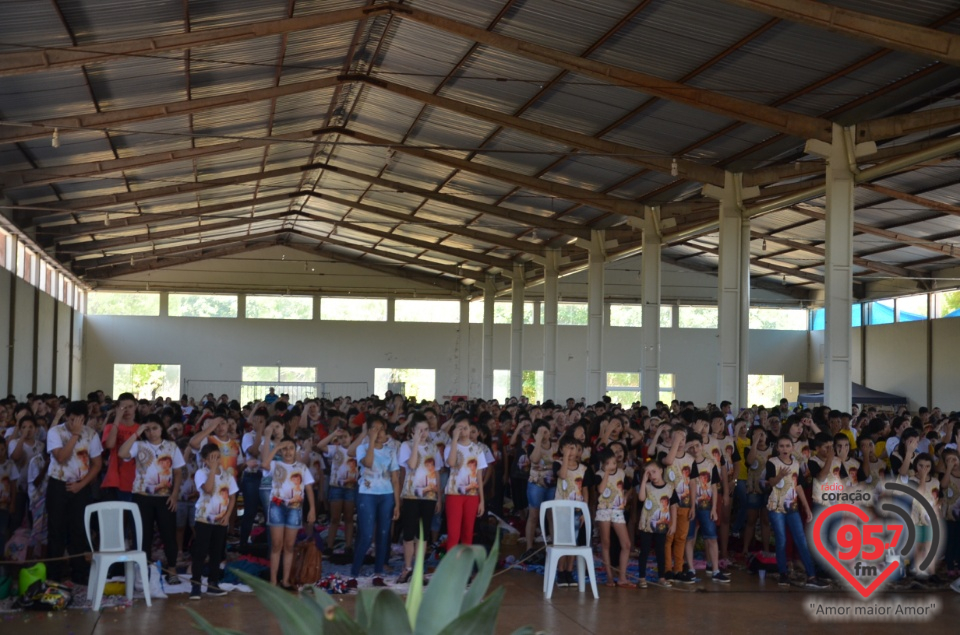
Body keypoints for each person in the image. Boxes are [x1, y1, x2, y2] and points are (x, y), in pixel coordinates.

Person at [118, 414, 186, 585]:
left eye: (155, 428)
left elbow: (178, 472)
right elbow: (122, 453)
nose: (151, 432)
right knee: (142, 535)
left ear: (162, 428)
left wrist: (174, 495)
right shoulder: (138, 445)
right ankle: (144, 570)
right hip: (142, 497)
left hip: (165, 497)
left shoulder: (171, 446)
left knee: (168, 534)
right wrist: (136, 433)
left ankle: (171, 569)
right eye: (147, 429)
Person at [46, 401, 103, 584]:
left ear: (85, 418)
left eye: (79, 420)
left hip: (80, 486)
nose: (75, 424)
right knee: (56, 531)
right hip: (58, 485)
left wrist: (82, 484)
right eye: (71, 420)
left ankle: (79, 573)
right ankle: (53, 574)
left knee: (79, 530)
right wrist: (75, 435)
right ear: (66, 417)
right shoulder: (55, 432)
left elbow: (97, 464)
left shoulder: (91, 434)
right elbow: (61, 457)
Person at [764, 435, 827, 588]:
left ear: (792, 448)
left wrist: (805, 507)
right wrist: (780, 475)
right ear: (777, 448)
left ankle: (811, 576)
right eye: (782, 446)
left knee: (801, 540)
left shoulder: (796, 464)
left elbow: (798, 486)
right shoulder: (772, 462)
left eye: (787, 446)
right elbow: (770, 482)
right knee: (781, 539)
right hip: (776, 506)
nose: (785, 449)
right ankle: (783, 573)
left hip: (792, 507)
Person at [261, 425, 316, 589]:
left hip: (295, 507)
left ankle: (285, 580)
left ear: (295, 450)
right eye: (284, 449)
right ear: (280, 451)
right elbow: (264, 464)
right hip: (277, 506)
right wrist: (276, 447)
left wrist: (312, 508)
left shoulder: (301, 467)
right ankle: (273, 580)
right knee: (277, 545)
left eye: (290, 448)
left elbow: (308, 488)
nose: (287, 452)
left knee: (289, 546)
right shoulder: (275, 465)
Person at [350, 416, 400, 578]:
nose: (379, 432)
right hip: (367, 494)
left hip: (386, 495)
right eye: (375, 428)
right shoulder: (362, 448)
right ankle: (354, 572)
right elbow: (369, 463)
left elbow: (395, 479)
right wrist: (370, 441)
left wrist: (398, 504)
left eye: (382, 429)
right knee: (366, 534)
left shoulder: (391, 451)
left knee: (383, 534)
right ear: (369, 431)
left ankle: (378, 572)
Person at [397, 416, 444, 583]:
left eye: (426, 430)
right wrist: (416, 443)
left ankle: (418, 569)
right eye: (419, 430)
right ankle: (407, 568)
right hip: (411, 495)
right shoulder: (406, 446)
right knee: (409, 533)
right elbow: (411, 465)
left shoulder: (433, 448)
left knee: (423, 535)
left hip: (429, 496)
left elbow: (436, 472)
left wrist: (438, 498)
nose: (423, 433)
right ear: (412, 431)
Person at [190, 443, 237, 600]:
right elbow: (208, 489)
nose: (216, 460)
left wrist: (227, 515)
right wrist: (211, 470)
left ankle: (213, 583)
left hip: (220, 520)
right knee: (200, 552)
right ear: (204, 460)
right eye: (212, 458)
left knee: (217, 553)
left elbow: (232, 497)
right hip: (204, 518)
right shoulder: (201, 473)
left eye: (217, 457)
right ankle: (196, 585)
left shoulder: (227, 476)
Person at [684, 432, 728, 583]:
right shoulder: (685, 464)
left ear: (703, 446)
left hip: (706, 505)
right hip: (689, 505)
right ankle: (690, 569)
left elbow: (714, 487)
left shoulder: (710, 464)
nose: (695, 449)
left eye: (697, 445)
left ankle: (715, 569)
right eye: (691, 447)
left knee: (711, 538)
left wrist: (714, 508)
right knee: (689, 537)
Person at [444, 415, 488, 552]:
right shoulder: (450, 447)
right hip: (454, 493)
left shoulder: (478, 449)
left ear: (470, 430)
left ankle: (465, 568)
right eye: (459, 428)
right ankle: (451, 568)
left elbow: (479, 475)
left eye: (465, 428)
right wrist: (455, 440)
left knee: (468, 533)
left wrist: (481, 500)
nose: (463, 431)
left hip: (472, 494)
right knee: (453, 533)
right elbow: (451, 463)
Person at [552, 435, 589, 587]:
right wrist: (565, 457)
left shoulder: (583, 468)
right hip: (561, 509)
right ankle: (560, 571)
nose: (570, 451)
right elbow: (563, 475)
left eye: (573, 448)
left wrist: (585, 512)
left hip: (577, 509)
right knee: (561, 541)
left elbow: (585, 490)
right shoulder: (557, 464)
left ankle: (569, 570)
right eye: (567, 448)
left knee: (573, 541)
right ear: (561, 450)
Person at [595, 447, 634, 588]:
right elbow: (600, 489)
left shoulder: (622, 473)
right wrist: (606, 472)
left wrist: (625, 496)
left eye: (613, 461)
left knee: (626, 544)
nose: (613, 465)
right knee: (606, 543)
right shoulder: (599, 474)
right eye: (609, 463)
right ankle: (610, 576)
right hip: (604, 510)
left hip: (618, 509)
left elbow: (629, 487)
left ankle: (622, 577)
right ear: (603, 464)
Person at [317, 425, 357, 555]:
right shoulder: (335, 449)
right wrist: (333, 433)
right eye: (341, 437)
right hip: (336, 487)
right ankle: (330, 546)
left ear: (351, 437)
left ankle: (348, 545)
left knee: (349, 518)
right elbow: (320, 445)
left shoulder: (357, 451)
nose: (343, 439)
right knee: (334, 518)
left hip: (351, 488)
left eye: (346, 436)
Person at [637, 460, 676, 588]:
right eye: (648, 473)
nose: (652, 475)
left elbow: (673, 507)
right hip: (646, 525)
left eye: (654, 471)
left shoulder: (670, 488)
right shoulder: (647, 486)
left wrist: (673, 523)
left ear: (661, 471)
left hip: (662, 525)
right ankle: (642, 577)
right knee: (645, 551)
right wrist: (643, 481)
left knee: (661, 551)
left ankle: (662, 577)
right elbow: (641, 498)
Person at [101, 394, 139, 501]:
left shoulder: (140, 428)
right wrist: (117, 418)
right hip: (115, 478)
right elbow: (110, 445)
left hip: (136, 479)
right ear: (118, 408)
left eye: (130, 406)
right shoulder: (110, 427)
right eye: (123, 407)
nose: (127, 410)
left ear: (136, 406)